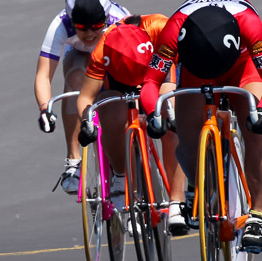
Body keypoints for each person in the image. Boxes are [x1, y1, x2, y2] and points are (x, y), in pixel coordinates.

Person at [140, 0, 262, 253]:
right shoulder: (174, 29)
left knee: (255, 127)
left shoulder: (249, 23)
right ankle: (201, 182)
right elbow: (151, 82)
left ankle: (258, 216)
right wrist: (153, 114)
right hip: (197, 69)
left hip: (242, 64)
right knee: (187, 136)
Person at [75, 15, 188, 235]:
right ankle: (120, 176)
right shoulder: (104, 47)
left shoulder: (161, 29)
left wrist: (169, 113)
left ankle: (176, 202)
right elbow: (85, 97)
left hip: (158, 72)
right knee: (112, 118)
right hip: (117, 82)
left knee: (170, 115)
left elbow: (177, 76)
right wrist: (85, 120)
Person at [35, 0, 130, 194]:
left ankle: (124, 167)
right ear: (71, 20)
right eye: (81, 28)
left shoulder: (119, 20)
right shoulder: (60, 25)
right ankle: (73, 160)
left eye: (96, 26)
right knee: (75, 80)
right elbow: (43, 75)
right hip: (78, 57)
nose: (89, 34)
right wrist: (44, 109)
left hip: (111, 55)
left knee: (118, 96)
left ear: (105, 18)